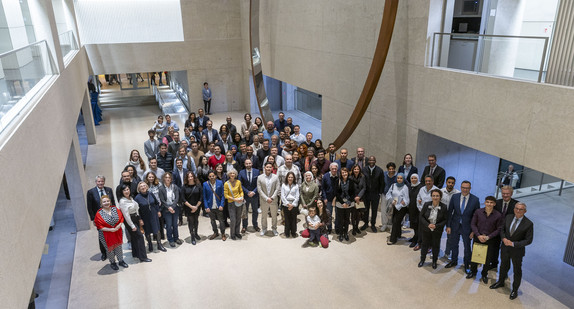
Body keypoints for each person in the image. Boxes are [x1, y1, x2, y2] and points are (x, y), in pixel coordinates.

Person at [489, 202, 534, 300]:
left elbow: (528, 240)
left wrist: (514, 244)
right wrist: (504, 239)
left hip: (517, 251)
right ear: (514, 209)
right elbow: (502, 230)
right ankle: (500, 282)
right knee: (503, 266)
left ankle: (514, 290)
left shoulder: (528, 224)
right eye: (516, 208)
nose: (518, 211)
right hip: (505, 248)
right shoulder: (508, 217)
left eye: (521, 209)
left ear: (525, 211)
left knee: (517, 270)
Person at [445, 180, 480, 273]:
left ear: (470, 188)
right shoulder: (455, 197)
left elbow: (477, 217)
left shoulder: (475, 200)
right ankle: (454, 260)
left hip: (467, 227)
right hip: (454, 225)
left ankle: (466, 264)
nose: (465, 190)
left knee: (467, 247)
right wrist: (448, 226)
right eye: (463, 187)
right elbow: (450, 212)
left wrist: (473, 231)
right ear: (460, 188)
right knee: (454, 244)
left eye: (467, 188)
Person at [468, 196, 504, 283]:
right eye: (487, 202)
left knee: (487, 258)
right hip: (478, 238)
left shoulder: (498, 215)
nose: (489, 204)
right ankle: (473, 271)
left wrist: (488, 237)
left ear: (494, 204)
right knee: (475, 256)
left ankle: (484, 274)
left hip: (490, 240)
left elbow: (499, 229)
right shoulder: (478, 212)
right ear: (484, 203)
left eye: (491, 202)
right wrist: (478, 235)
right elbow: (473, 224)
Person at [118, 185, 151, 262]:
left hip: (135, 218)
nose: (127, 191)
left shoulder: (131, 198)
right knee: (140, 237)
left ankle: (135, 253)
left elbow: (136, 209)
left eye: (127, 189)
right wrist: (132, 225)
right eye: (124, 190)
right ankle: (143, 257)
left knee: (134, 237)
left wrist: (139, 219)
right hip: (130, 220)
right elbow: (126, 216)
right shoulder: (122, 201)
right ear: (122, 192)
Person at [94, 196, 128, 270]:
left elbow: (121, 218)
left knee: (119, 247)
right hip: (106, 234)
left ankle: (121, 260)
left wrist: (118, 226)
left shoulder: (114, 208)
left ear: (110, 201)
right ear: (101, 204)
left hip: (117, 232)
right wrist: (111, 229)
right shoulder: (99, 213)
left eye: (107, 201)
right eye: (104, 202)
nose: (106, 203)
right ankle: (112, 262)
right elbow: (99, 225)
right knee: (110, 249)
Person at [86, 175, 116, 261]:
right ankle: (104, 253)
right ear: (96, 182)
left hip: (110, 216)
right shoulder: (91, 192)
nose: (100, 183)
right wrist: (93, 219)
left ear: (104, 182)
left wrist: (114, 214)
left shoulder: (109, 190)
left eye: (102, 181)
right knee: (102, 235)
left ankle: (113, 250)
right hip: (99, 219)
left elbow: (113, 203)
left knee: (111, 234)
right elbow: (90, 207)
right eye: (99, 181)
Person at [418, 189, 448, 269]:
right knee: (424, 244)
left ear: (440, 197)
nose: (435, 197)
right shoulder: (426, 204)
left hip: (437, 230)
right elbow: (421, 217)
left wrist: (436, 226)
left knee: (436, 245)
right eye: (433, 196)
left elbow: (445, 219)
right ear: (431, 196)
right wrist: (428, 225)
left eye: (437, 196)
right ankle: (422, 260)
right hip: (426, 229)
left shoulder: (444, 207)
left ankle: (434, 261)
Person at [492, 185, 520, 269]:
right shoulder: (497, 203)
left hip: (508, 233)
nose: (505, 195)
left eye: (507, 194)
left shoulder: (516, 205)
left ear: (511, 193)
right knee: (494, 248)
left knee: (506, 253)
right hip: (497, 230)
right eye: (503, 193)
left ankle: (504, 270)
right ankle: (493, 264)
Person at [361, 156, 385, 233]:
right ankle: (365, 223)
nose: (371, 161)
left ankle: (373, 224)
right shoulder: (364, 169)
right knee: (366, 210)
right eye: (370, 160)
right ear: (368, 161)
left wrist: (380, 193)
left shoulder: (380, 170)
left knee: (374, 210)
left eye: (373, 160)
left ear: (375, 161)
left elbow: (382, 183)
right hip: (366, 193)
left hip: (375, 194)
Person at [414, 175, 438, 251]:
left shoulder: (436, 190)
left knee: (430, 230)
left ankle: (429, 246)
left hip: (432, 213)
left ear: (432, 182)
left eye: (429, 181)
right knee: (420, 229)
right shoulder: (422, 189)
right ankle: (419, 243)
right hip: (422, 212)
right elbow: (418, 199)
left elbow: (437, 202)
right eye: (426, 181)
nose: (427, 182)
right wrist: (420, 209)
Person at [158, 172, 182, 247]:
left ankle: (176, 238)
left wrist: (173, 207)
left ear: (171, 179)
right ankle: (170, 240)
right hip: (166, 209)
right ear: (163, 179)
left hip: (175, 208)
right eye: (166, 177)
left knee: (175, 224)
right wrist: (169, 207)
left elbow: (177, 198)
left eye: (169, 177)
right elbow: (162, 200)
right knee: (169, 225)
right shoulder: (161, 188)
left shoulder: (175, 187)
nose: (168, 179)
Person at [257, 162, 281, 236]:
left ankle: (274, 229)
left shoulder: (275, 177)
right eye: (267, 167)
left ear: (272, 168)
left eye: (270, 167)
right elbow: (259, 189)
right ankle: (264, 229)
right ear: (264, 168)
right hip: (264, 200)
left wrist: (272, 197)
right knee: (264, 216)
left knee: (274, 216)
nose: (268, 168)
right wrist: (266, 198)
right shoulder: (260, 177)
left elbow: (277, 188)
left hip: (273, 200)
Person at [386, 172, 410, 245]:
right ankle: (398, 234)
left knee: (396, 222)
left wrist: (400, 204)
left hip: (402, 208)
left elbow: (407, 199)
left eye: (401, 178)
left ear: (403, 179)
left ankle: (393, 239)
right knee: (395, 221)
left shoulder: (405, 187)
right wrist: (392, 200)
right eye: (398, 178)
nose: (399, 180)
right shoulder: (393, 185)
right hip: (394, 206)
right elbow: (388, 194)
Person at [203, 171, 226, 241]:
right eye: (210, 176)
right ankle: (215, 232)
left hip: (218, 206)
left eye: (213, 176)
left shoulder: (220, 183)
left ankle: (223, 233)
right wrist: (206, 207)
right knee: (212, 221)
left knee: (221, 221)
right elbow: (204, 197)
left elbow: (223, 195)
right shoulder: (205, 184)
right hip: (210, 206)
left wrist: (222, 205)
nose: (212, 177)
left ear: (215, 176)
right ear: (208, 177)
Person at [238, 159, 260, 232]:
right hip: (245, 195)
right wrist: (247, 192)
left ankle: (255, 225)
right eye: (246, 163)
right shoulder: (241, 172)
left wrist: (253, 192)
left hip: (255, 195)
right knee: (245, 211)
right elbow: (240, 184)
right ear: (244, 164)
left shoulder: (257, 171)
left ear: (252, 163)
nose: (248, 165)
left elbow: (259, 183)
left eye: (249, 163)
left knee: (255, 211)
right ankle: (244, 226)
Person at [441, 176, 460, 258]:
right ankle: (434, 251)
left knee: (450, 237)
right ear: (446, 182)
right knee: (437, 235)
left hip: (451, 218)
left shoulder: (457, 193)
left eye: (452, 183)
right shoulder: (441, 191)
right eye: (449, 182)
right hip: (441, 216)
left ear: (454, 184)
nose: (450, 184)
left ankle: (447, 252)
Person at [182, 171, 202, 245]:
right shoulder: (184, 186)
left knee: (196, 220)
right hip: (188, 207)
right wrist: (191, 207)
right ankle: (192, 236)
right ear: (186, 178)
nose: (190, 178)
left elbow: (201, 197)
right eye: (188, 177)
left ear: (194, 177)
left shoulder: (198, 185)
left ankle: (196, 233)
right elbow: (183, 199)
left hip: (197, 206)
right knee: (191, 221)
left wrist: (196, 207)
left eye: (191, 176)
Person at [334, 167, 355, 241]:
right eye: (343, 172)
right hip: (340, 203)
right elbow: (336, 193)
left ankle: (345, 233)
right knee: (340, 219)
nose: (344, 174)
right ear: (341, 174)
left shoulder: (351, 181)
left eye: (345, 172)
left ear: (348, 173)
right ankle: (341, 233)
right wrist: (342, 202)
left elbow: (353, 193)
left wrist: (348, 202)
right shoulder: (337, 181)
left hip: (349, 203)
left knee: (346, 219)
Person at [224, 168, 244, 240]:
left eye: (234, 173)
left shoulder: (238, 182)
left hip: (239, 202)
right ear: (228, 174)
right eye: (231, 173)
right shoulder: (226, 183)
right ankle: (232, 234)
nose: (232, 174)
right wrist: (234, 199)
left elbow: (241, 191)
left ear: (235, 174)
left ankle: (237, 232)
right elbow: (226, 195)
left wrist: (241, 197)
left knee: (238, 218)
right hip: (231, 203)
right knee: (233, 219)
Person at [321, 162, 339, 233]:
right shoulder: (325, 176)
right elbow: (323, 188)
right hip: (328, 198)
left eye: (335, 169)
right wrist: (324, 198)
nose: (334, 170)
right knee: (329, 214)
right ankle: (329, 228)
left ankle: (337, 228)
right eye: (332, 169)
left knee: (338, 214)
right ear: (330, 169)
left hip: (337, 199)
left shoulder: (339, 175)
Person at [281, 172, 300, 238]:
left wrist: (293, 205)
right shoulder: (283, 185)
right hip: (286, 204)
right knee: (287, 219)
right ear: (287, 178)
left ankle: (293, 232)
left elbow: (297, 196)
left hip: (294, 204)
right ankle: (287, 232)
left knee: (293, 219)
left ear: (294, 178)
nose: (290, 178)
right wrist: (288, 204)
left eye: (292, 177)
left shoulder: (296, 185)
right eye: (289, 177)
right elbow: (282, 196)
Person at [408, 174, 423, 248]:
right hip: (411, 208)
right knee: (413, 225)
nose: (413, 180)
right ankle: (415, 236)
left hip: (418, 209)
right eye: (412, 178)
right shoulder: (409, 186)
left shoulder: (421, 187)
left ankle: (416, 240)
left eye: (415, 178)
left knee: (417, 225)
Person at [349, 165, 365, 235]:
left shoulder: (363, 177)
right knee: (353, 214)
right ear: (352, 170)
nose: (356, 170)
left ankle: (357, 227)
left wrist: (359, 197)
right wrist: (355, 198)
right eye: (355, 169)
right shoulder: (350, 178)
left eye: (357, 169)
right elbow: (349, 189)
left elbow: (364, 188)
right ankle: (353, 228)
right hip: (352, 198)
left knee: (358, 214)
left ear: (359, 170)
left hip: (360, 198)